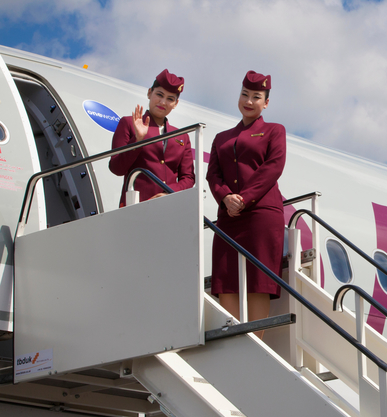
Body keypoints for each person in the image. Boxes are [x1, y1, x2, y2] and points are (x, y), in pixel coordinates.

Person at [206, 70, 287, 333]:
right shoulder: (222, 138)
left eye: (256, 97)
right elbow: (213, 175)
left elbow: (273, 167)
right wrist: (226, 197)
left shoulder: (274, 131)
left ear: (266, 103)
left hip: (261, 214)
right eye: (244, 95)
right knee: (226, 279)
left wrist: (244, 198)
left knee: (257, 281)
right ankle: (232, 341)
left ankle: (256, 345)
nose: (248, 101)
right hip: (229, 217)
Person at [109, 69, 195, 207]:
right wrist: (138, 140)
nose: (163, 102)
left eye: (170, 99)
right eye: (159, 95)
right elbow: (116, 168)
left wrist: (170, 192)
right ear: (149, 93)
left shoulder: (182, 136)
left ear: (176, 103)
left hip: (170, 207)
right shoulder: (128, 123)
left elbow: (188, 178)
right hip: (136, 207)